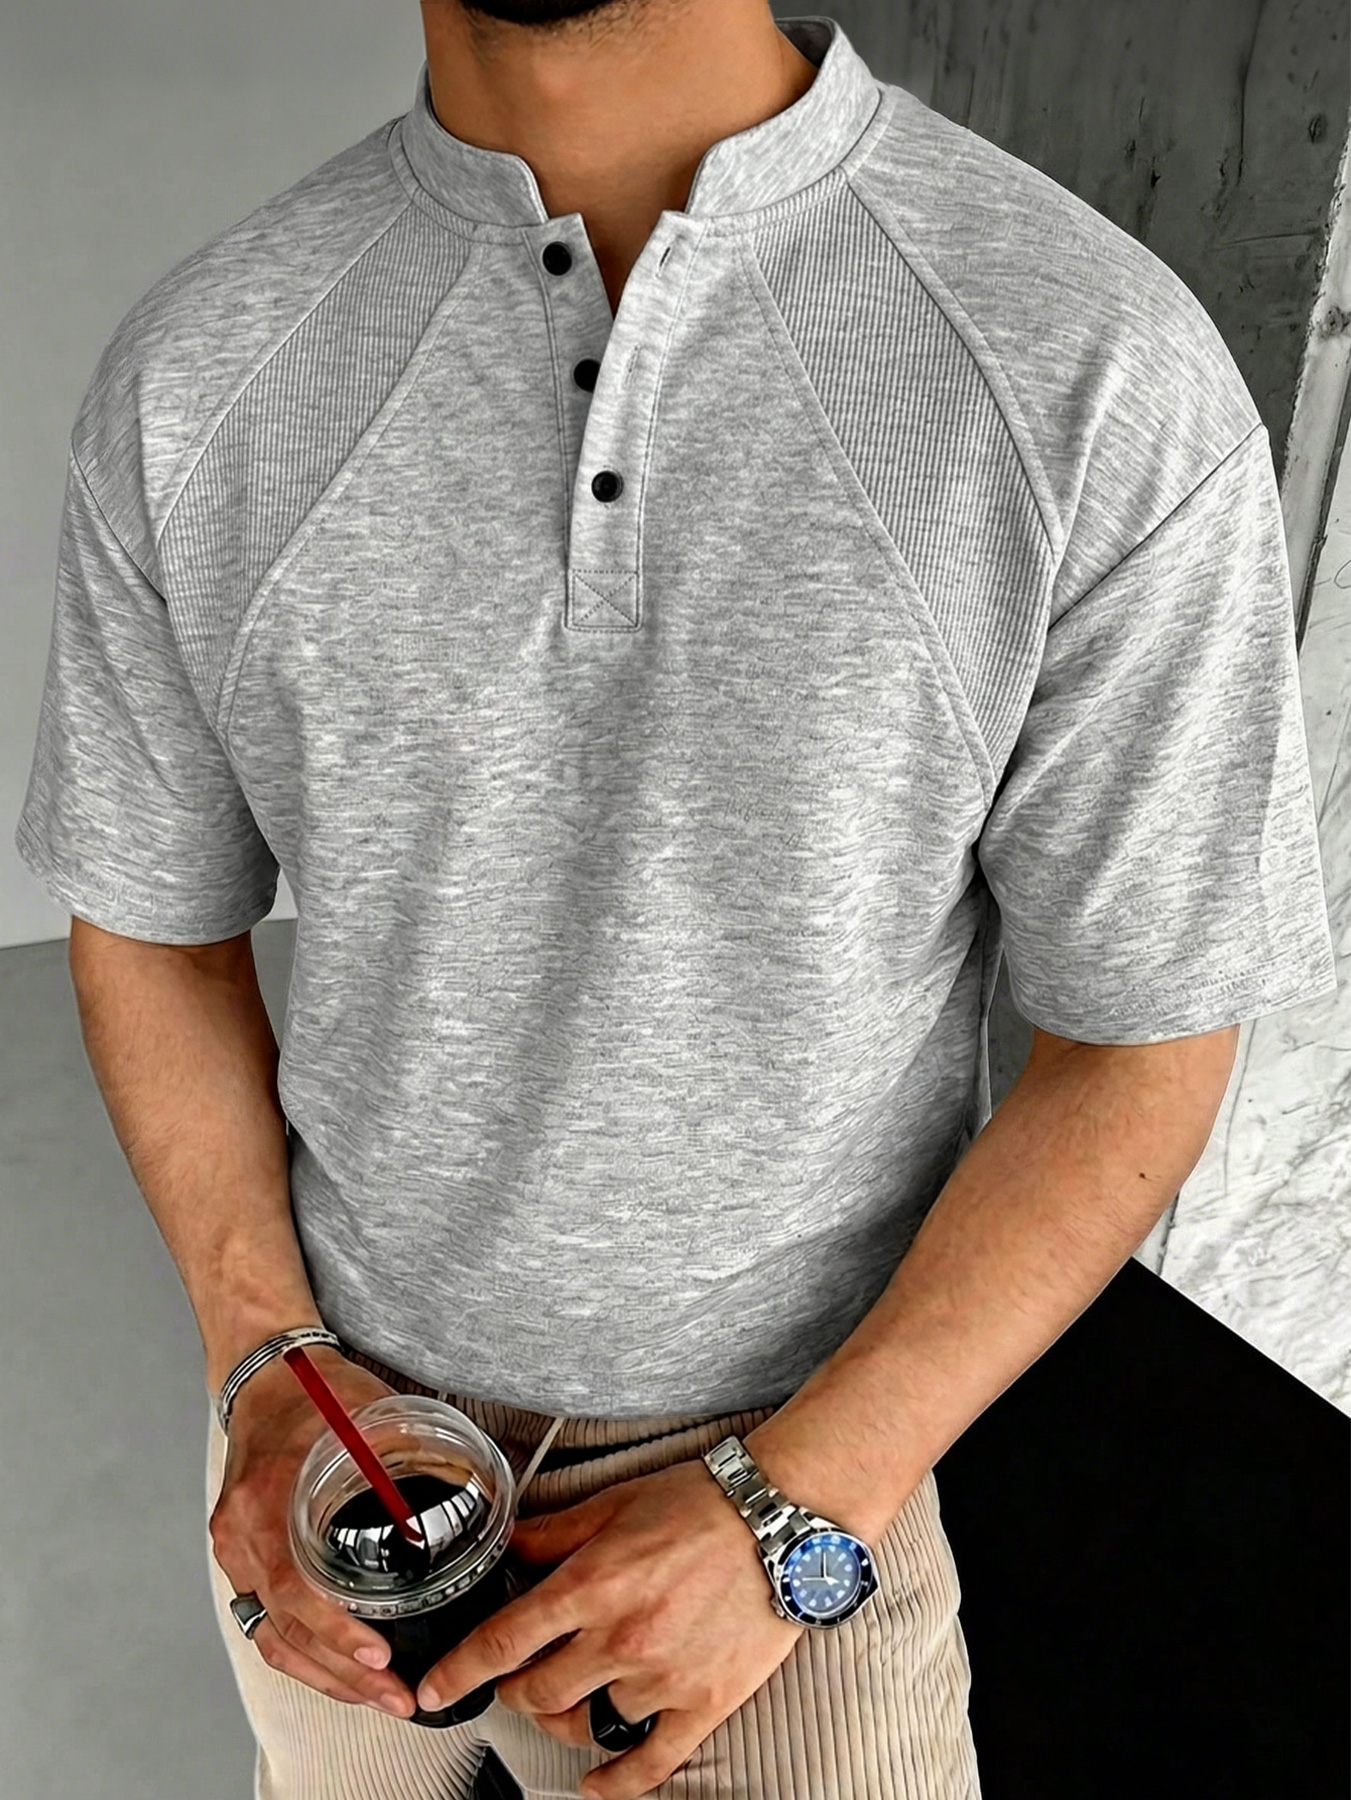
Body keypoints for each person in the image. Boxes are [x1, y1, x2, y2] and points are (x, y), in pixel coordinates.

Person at [14, 0, 1338, 1795]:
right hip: (339, 1436)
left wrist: (798, 1506)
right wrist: (266, 1370)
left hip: (787, 1477)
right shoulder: (204, 369)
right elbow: (153, 919)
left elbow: (1146, 1035)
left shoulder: (1091, 367)